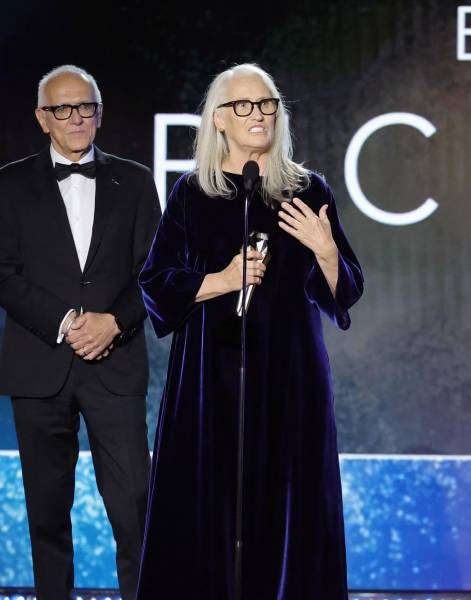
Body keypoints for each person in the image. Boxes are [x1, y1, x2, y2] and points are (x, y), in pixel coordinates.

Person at [136, 63, 363, 599]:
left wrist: (326, 249)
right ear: (219, 119)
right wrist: (219, 279)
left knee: (289, 504)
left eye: (266, 104)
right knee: (210, 504)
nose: (258, 115)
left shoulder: (309, 189)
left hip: (290, 377)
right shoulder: (193, 193)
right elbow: (156, 284)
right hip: (210, 380)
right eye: (244, 105)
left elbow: (345, 291)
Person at [0, 65, 160, 600]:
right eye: (62, 109)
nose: (75, 118)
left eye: (85, 106)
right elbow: (3, 273)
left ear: (99, 112)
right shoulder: (9, 182)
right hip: (39, 366)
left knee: (136, 504)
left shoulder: (136, 181)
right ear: (43, 118)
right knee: (47, 513)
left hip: (116, 366)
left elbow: (155, 273)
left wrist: (112, 322)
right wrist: (67, 323)